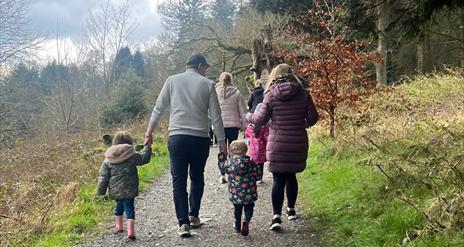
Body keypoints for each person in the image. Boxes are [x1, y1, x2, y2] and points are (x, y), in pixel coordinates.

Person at [144, 53, 227, 237]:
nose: (205, 71)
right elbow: (216, 117)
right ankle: (194, 215)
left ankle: (183, 223)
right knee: (197, 177)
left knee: (178, 181)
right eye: (205, 67)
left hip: (177, 137)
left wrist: (149, 133)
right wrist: (222, 143)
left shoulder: (171, 81)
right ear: (199, 66)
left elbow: (159, 108)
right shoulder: (208, 85)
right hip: (199, 139)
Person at [246, 63, 318, 231]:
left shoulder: (270, 94)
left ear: (274, 76)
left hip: (277, 142)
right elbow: (313, 118)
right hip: (298, 141)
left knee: (278, 179)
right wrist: (302, 124)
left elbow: (260, 119)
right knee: (291, 176)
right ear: (292, 75)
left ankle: (276, 217)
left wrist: (248, 115)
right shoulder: (303, 94)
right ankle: (291, 210)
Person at [97, 131, 152, 241]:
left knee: (119, 206)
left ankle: (119, 227)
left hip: (116, 190)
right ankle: (131, 232)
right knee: (129, 208)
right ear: (129, 142)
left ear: (115, 142)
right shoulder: (132, 155)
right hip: (129, 189)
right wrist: (147, 146)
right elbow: (144, 158)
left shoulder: (108, 158)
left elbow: (103, 176)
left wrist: (100, 192)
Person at [220, 140, 258, 236]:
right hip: (249, 192)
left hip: (236, 193)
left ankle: (237, 225)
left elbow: (223, 169)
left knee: (237, 209)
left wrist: (221, 159)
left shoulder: (229, 162)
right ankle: (246, 220)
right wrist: (254, 178)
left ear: (231, 152)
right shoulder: (250, 161)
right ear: (245, 151)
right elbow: (257, 173)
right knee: (249, 207)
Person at [215, 72, 246, 183]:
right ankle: (233, 172)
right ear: (231, 80)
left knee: (222, 150)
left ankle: (222, 174)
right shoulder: (237, 93)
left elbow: (210, 109)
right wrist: (244, 125)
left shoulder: (215, 92)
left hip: (219, 126)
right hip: (233, 125)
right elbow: (242, 111)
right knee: (234, 149)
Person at [244, 103, 269, 184]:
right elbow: (267, 137)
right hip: (261, 150)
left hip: (253, 150)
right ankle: (260, 178)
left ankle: (254, 177)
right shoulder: (264, 126)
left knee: (253, 164)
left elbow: (247, 135)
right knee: (260, 164)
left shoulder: (250, 126)